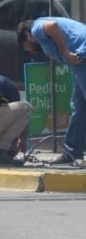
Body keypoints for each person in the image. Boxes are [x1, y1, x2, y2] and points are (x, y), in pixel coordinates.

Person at [18, 16, 86, 165]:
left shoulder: (36, 27)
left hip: (82, 55)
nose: (29, 49)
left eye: (25, 46)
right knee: (79, 107)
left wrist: (66, 52)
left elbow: (52, 26)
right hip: (79, 61)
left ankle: (72, 151)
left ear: (27, 35)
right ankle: (72, 152)